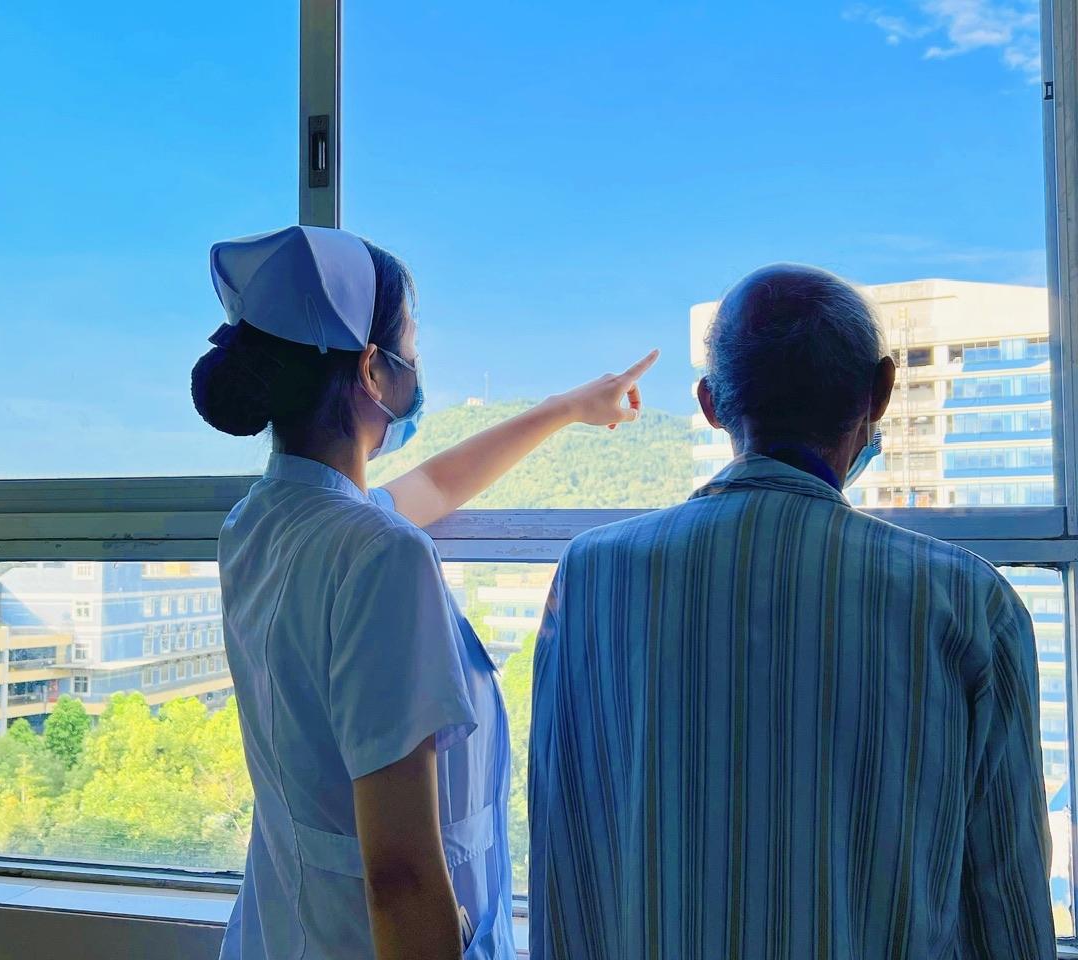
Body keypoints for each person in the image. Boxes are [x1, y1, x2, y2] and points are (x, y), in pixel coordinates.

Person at [529, 263, 1056, 959]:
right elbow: (1007, 914)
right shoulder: (967, 604)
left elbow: (562, 860)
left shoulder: (592, 576)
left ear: (711, 404)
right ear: (882, 393)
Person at [191, 224, 658, 960]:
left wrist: (568, 408)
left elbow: (436, 485)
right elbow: (402, 874)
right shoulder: (379, 553)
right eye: (409, 344)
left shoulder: (262, 522)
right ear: (373, 371)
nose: (418, 364)